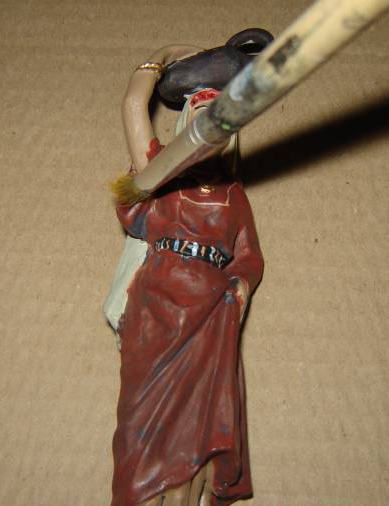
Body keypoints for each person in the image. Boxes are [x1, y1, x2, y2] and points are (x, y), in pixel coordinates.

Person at [111, 44, 264, 506]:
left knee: (198, 429)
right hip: (156, 304)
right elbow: (133, 104)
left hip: (209, 315)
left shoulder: (234, 196)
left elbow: (249, 256)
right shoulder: (159, 172)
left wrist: (239, 288)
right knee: (139, 419)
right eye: (200, 118)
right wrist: (161, 56)